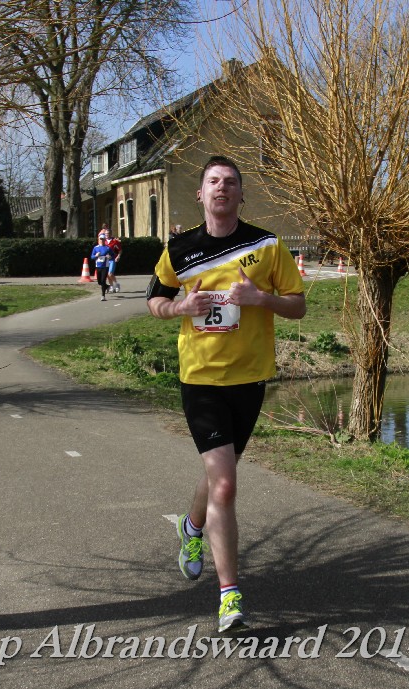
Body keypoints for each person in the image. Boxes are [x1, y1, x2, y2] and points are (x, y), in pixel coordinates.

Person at [146, 156, 306, 633]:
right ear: (200, 193)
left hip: (249, 378)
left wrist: (261, 299)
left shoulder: (267, 246)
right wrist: (180, 307)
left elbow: (297, 306)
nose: (222, 188)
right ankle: (230, 596)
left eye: (231, 182)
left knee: (221, 475)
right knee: (226, 484)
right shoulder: (180, 249)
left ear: (240, 194)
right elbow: (154, 301)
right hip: (200, 379)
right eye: (213, 181)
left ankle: (191, 527)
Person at [91, 233, 114, 300]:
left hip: (105, 266)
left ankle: (103, 296)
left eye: (103, 239)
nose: (102, 240)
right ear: (99, 239)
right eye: (101, 239)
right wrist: (96, 256)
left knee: (103, 280)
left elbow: (113, 255)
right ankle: (106, 286)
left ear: (105, 240)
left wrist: (110, 257)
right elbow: (92, 257)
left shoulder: (107, 248)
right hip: (98, 266)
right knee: (99, 282)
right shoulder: (96, 248)